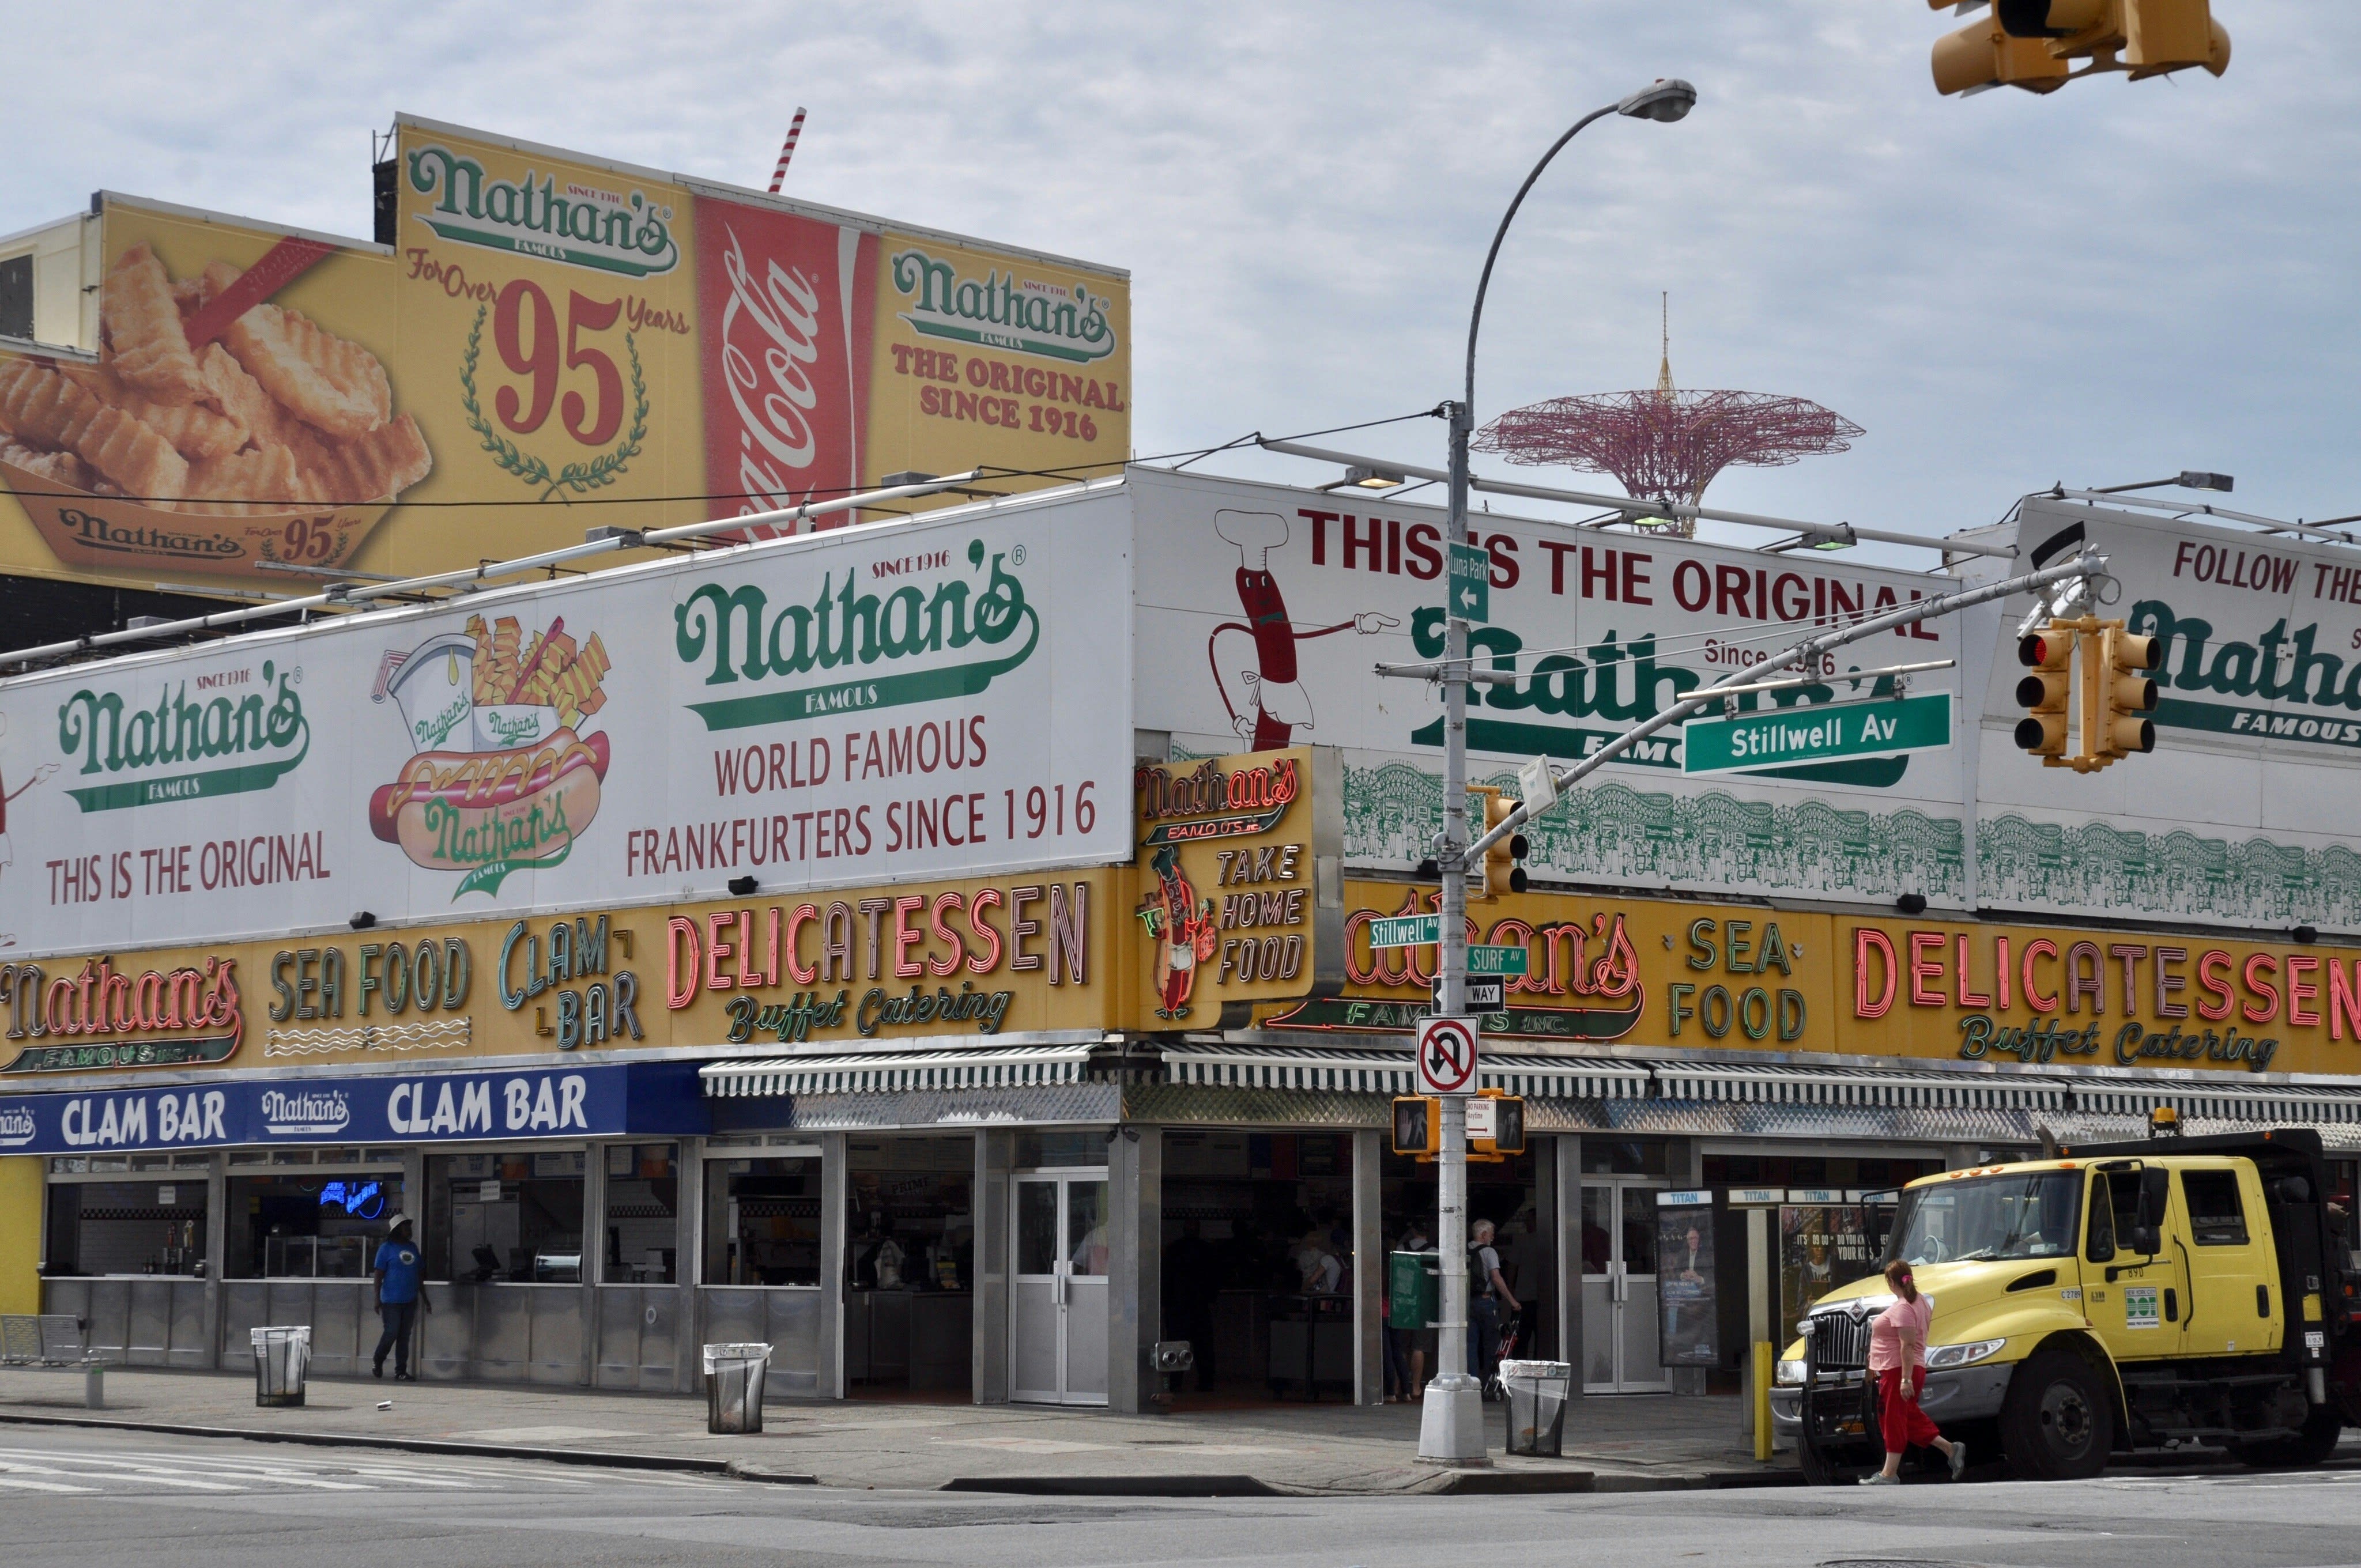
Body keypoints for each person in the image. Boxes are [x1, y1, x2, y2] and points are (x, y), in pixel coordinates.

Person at [1861, 1259, 1966, 1485]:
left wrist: (1905, 1379)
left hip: (1899, 1371)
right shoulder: (1920, 1302)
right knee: (1907, 1418)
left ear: (1890, 1282)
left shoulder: (1903, 1308)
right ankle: (1950, 1449)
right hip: (1899, 1369)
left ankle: (1889, 1474)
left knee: (1894, 1419)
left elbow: (1907, 1345)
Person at [371, 1215, 429, 1381]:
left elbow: (419, 1275)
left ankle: (401, 1371)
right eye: (405, 1226)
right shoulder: (386, 1248)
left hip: (410, 1299)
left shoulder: (412, 1247)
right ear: (397, 1230)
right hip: (391, 1300)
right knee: (392, 1332)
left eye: (409, 1226)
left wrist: (425, 1298)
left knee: (404, 1336)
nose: (408, 1229)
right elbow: (378, 1275)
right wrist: (376, 1298)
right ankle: (379, 1358)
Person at [1469, 1219, 1520, 1396]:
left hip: (1467, 1304)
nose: (1492, 1237)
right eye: (1491, 1233)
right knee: (1493, 1345)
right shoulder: (1489, 1251)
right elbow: (1496, 1278)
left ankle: (1473, 1386)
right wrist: (1512, 1301)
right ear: (1483, 1235)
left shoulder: (1465, 1249)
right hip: (1485, 1302)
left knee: (1471, 1346)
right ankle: (1492, 1386)